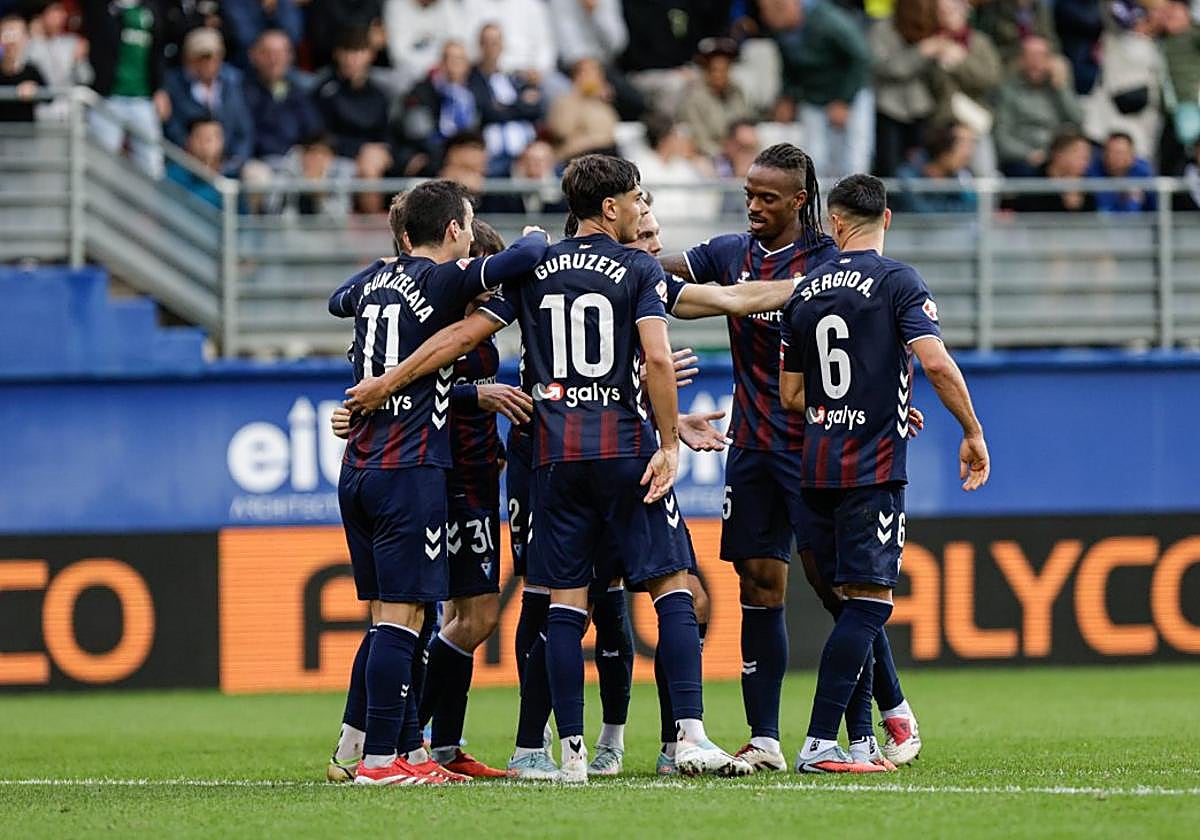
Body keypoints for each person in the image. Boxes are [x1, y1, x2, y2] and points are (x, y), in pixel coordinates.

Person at [325, 179, 549, 786]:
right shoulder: (445, 283)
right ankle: (374, 756)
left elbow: (337, 301)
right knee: (404, 616)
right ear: (455, 231)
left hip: (368, 464)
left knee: (401, 614)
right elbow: (529, 257)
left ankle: (414, 753)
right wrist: (533, 235)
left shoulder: (378, 285)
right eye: (468, 223)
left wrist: (386, 268)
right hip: (415, 468)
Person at [780, 173, 989, 772]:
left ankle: (868, 737)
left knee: (849, 604)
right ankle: (822, 743)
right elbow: (936, 363)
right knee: (870, 605)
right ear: (887, 220)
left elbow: (792, 395)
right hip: (870, 468)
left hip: (816, 466)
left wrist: (880, 397)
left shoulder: (805, 289)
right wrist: (972, 431)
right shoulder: (900, 281)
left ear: (836, 224)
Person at [657, 143, 839, 772]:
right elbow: (656, 267)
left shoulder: (828, 261)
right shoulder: (728, 252)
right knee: (759, 586)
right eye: (749, 195)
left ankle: (888, 715)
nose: (755, 207)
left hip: (815, 439)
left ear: (799, 200)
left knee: (836, 583)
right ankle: (765, 739)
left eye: (768, 197)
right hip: (754, 445)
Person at [762, 0, 874, 180]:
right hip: (813, 96)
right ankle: (817, 206)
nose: (767, 16)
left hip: (849, 92)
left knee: (854, 160)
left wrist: (844, 100)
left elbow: (860, 56)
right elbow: (790, 67)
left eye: (774, 8)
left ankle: (854, 206)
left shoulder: (826, 20)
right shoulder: (782, 32)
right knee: (815, 158)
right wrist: (787, 96)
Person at [81, 0, 168, 177]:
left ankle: (147, 204)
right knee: (101, 164)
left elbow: (158, 53)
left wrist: (160, 88)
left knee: (152, 165)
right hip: (108, 97)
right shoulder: (102, 8)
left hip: (143, 97)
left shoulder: (151, 10)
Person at [312, 26, 393, 212]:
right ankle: (372, 230)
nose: (352, 59)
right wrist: (360, 150)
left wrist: (381, 150)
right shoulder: (325, 91)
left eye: (358, 52)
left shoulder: (379, 93)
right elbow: (321, 135)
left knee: (371, 163)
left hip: (374, 154)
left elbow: (387, 133)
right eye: (347, 52)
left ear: (370, 55)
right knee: (368, 168)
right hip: (337, 154)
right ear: (337, 54)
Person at [164, 28, 255, 176]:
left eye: (214, 56)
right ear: (189, 59)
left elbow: (244, 131)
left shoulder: (233, 84)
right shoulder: (175, 85)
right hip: (187, 160)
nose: (209, 62)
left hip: (228, 161)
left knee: (256, 175)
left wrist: (233, 162)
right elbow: (173, 127)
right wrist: (194, 151)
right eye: (203, 57)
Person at [994, 35, 1082, 177]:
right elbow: (1002, 138)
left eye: (1041, 56)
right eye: (1031, 56)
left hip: (1058, 154)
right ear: (1021, 61)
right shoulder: (1008, 91)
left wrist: (1061, 88)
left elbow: (1078, 120)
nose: (1036, 62)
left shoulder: (1058, 87)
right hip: (1025, 156)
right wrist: (1029, 154)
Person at [468, 24, 544, 175]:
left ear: (503, 45)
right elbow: (488, 111)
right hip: (495, 156)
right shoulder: (474, 78)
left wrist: (504, 107)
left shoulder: (513, 77)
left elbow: (535, 109)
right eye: (487, 42)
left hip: (526, 153)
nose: (492, 47)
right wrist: (520, 105)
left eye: (496, 42)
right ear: (480, 45)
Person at [241, 29, 321, 165]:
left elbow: (313, 129)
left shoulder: (299, 90)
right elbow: (247, 136)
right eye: (267, 53)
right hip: (261, 162)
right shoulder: (242, 91)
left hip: (298, 159)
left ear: (289, 57)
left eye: (279, 53)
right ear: (253, 56)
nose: (274, 60)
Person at [678, 36, 753, 159]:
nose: (720, 75)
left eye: (725, 70)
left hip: (736, 152)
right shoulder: (694, 95)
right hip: (706, 155)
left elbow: (743, 124)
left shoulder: (736, 91)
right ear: (706, 70)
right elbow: (698, 138)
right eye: (715, 70)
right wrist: (722, 153)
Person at [25, 0, 92, 119]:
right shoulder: (31, 44)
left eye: (60, 12)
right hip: (42, 113)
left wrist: (79, 61)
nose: (59, 16)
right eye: (53, 12)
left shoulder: (72, 43)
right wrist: (32, 36)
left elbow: (86, 78)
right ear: (41, 16)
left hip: (71, 113)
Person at [893, 121, 978, 213]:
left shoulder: (962, 175)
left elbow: (972, 208)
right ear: (943, 149)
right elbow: (920, 213)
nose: (968, 154)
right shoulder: (907, 175)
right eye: (962, 146)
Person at [383, 0, 467, 93]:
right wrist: (432, 68)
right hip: (408, 82)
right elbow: (398, 55)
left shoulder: (446, 4)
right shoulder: (397, 4)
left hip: (444, 78)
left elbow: (458, 45)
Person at [1006, 128, 1097, 212]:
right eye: (1081, 156)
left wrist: (1076, 207)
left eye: (1087, 157)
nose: (1086, 162)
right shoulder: (1032, 182)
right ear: (1059, 154)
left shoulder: (1086, 186)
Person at [547, 57, 620, 161]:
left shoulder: (604, 106)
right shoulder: (565, 101)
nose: (592, 78)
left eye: (596, 74)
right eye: (586, 73)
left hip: (605, 156)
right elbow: (561, 132)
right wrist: (578, 95)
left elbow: (611, 135)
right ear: (576, 77)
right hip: (575, 157)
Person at [1087, 131, 1156, 213]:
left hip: (1136, 224)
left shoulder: (1143, 173)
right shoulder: (1092, 171)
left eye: (1121, 153)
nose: (1117, 158)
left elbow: (1155, 208)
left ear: (1132, 154)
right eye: (1112, 152)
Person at [165, 114, 224, 209]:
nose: (206, 143)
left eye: (212, 137)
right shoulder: (174, 175)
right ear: (189, 140)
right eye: (200, 137)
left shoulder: (230, 177)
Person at [0, 13, 43, 123]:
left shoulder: (32, 70)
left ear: (26, 38)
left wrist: (35, 89)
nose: (11, 40)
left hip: (26, 135)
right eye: (6, 33)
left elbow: (49, 96)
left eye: (16, 34)